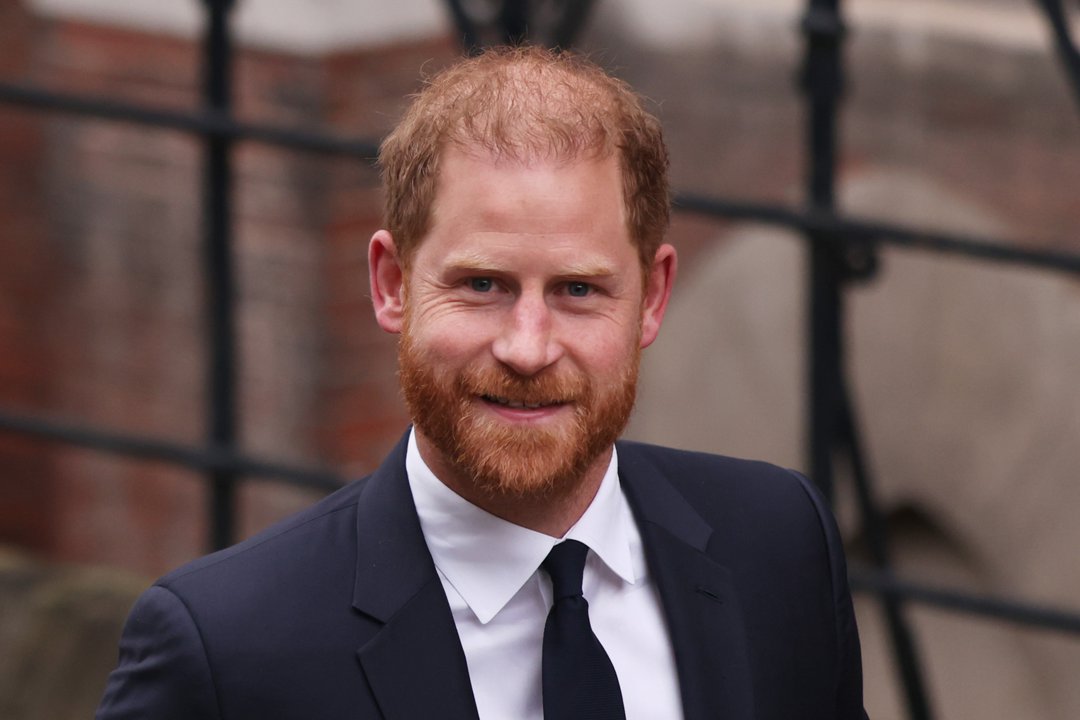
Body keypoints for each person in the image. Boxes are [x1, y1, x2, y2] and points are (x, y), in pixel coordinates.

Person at [97, 46, 868, 720]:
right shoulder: (227, 651)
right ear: (392, 283)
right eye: (482, 284)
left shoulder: (778, 544)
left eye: (577, 291)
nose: (527, 349)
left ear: (652, 298)